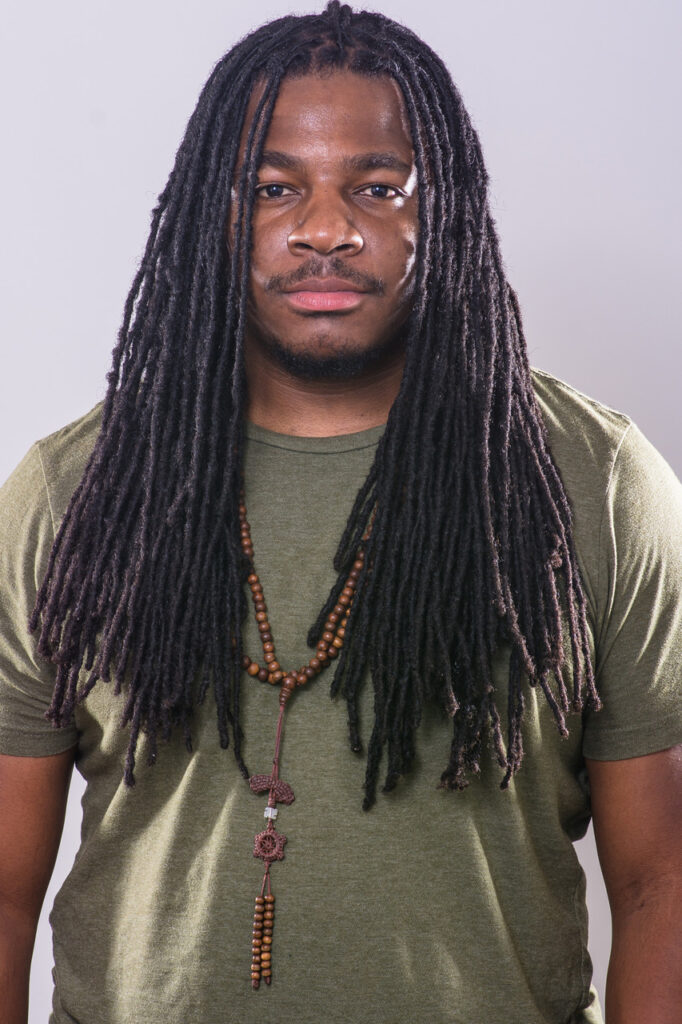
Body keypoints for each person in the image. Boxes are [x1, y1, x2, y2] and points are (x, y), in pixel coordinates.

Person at [1, 2, 681, 1021]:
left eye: (377, 185)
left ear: (443, 206)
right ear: (212, 212)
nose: (326, 228)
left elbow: (658, 881)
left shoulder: (593, 478)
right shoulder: (76, 493)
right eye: (274, 188)